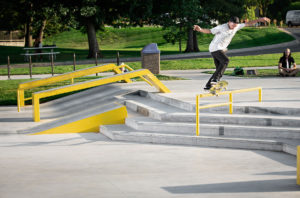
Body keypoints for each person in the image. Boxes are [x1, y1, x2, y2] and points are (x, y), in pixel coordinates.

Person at [193, 16, 270, 90]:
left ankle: (209, 85)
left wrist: (259, 20)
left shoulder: (237, 26)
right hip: (215, 48)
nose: (233, 27)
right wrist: (200, 29)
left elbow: (248, 23)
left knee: (219, 69)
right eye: (232, 25)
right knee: (226, 61)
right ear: (229, 22)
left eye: (235, 26)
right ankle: (215, 80)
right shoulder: (221, 27)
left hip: (219, 49)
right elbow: (209, 31)